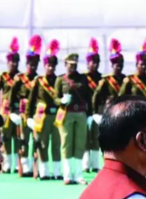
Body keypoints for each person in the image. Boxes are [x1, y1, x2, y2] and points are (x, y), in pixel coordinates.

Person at [27, 40, 63, 181]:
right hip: (42, 116)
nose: (51, 68)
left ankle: (57, 171)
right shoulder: (39, 80)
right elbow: (31, 100)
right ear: (44, 65)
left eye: (53, 65)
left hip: (56, 117)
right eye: (48, 65)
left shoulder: (59, 80)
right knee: (42, 144)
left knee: (56, 143)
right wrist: (29, 116)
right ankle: (44, 172)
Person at [56, 53, 92, 185]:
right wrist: (61, 100)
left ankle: (78, 174)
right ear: (65, 65)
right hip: (67, 113)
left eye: (75, 65)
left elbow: (89, 97)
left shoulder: (82, 78)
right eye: (70, 65)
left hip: (81, 113)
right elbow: (55, 97)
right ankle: (67, 174)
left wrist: (90, 114)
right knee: (66, 143)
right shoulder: (61, 80)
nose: (72, 67)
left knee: (80, 143)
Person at [9, 36, 42, 178]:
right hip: (22, 113)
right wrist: (12, 112)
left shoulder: (39, 79)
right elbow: (12, 95)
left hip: (36, 114)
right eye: (29, 63)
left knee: (36, 141)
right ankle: (25, 167)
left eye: (34, 64)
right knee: (23, 140)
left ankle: (36, 167)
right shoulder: (19, 78)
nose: (31, 66)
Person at [93, 40, 127, 169]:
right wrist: (95, 112)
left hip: (122, 114)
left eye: (121, 64)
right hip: (108, 113)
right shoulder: (106, 80)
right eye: (116, 64)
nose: (118, 67)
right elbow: (96, 97)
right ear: (112, 65)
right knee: (107, 139)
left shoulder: (125, 79)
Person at [0, 38, 21, 174]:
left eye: (16, 61)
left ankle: (16, 164)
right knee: (5, 137)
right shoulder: (3, 76)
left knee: (16, 137)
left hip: (17, 111)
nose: (13, 64)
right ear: (7, 62)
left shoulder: (21, 77)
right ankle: (6, 163)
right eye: (11, 61)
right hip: (5, 111)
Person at [84, 39, 105, 173]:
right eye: (91, 62)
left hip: (98, 113)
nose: (94, 64)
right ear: (87, 63)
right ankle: (85, 164)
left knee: (97, 138)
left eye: (96, 62)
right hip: (85, 112)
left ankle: (96, 164)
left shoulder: (102, 78)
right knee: (86, 139)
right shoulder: (83, 78)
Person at [119, 41, 146, 106]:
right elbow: (122, 98)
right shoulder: (129, 80)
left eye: (145, 64)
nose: (144, 66)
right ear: (137, 65)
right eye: (141, 64)